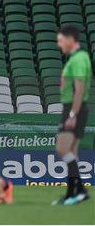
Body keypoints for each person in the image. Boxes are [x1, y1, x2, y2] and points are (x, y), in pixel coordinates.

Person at [53, 25, 92, 205]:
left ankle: (81, 191)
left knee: (62, 148)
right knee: (72, 152)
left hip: (74, 107)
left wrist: (72, 114)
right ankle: (72, 194)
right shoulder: (78, 57)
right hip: (76, 108)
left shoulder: (79, 59)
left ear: (70, 39)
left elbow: (79, 88)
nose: (59, 45)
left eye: (60, 41)